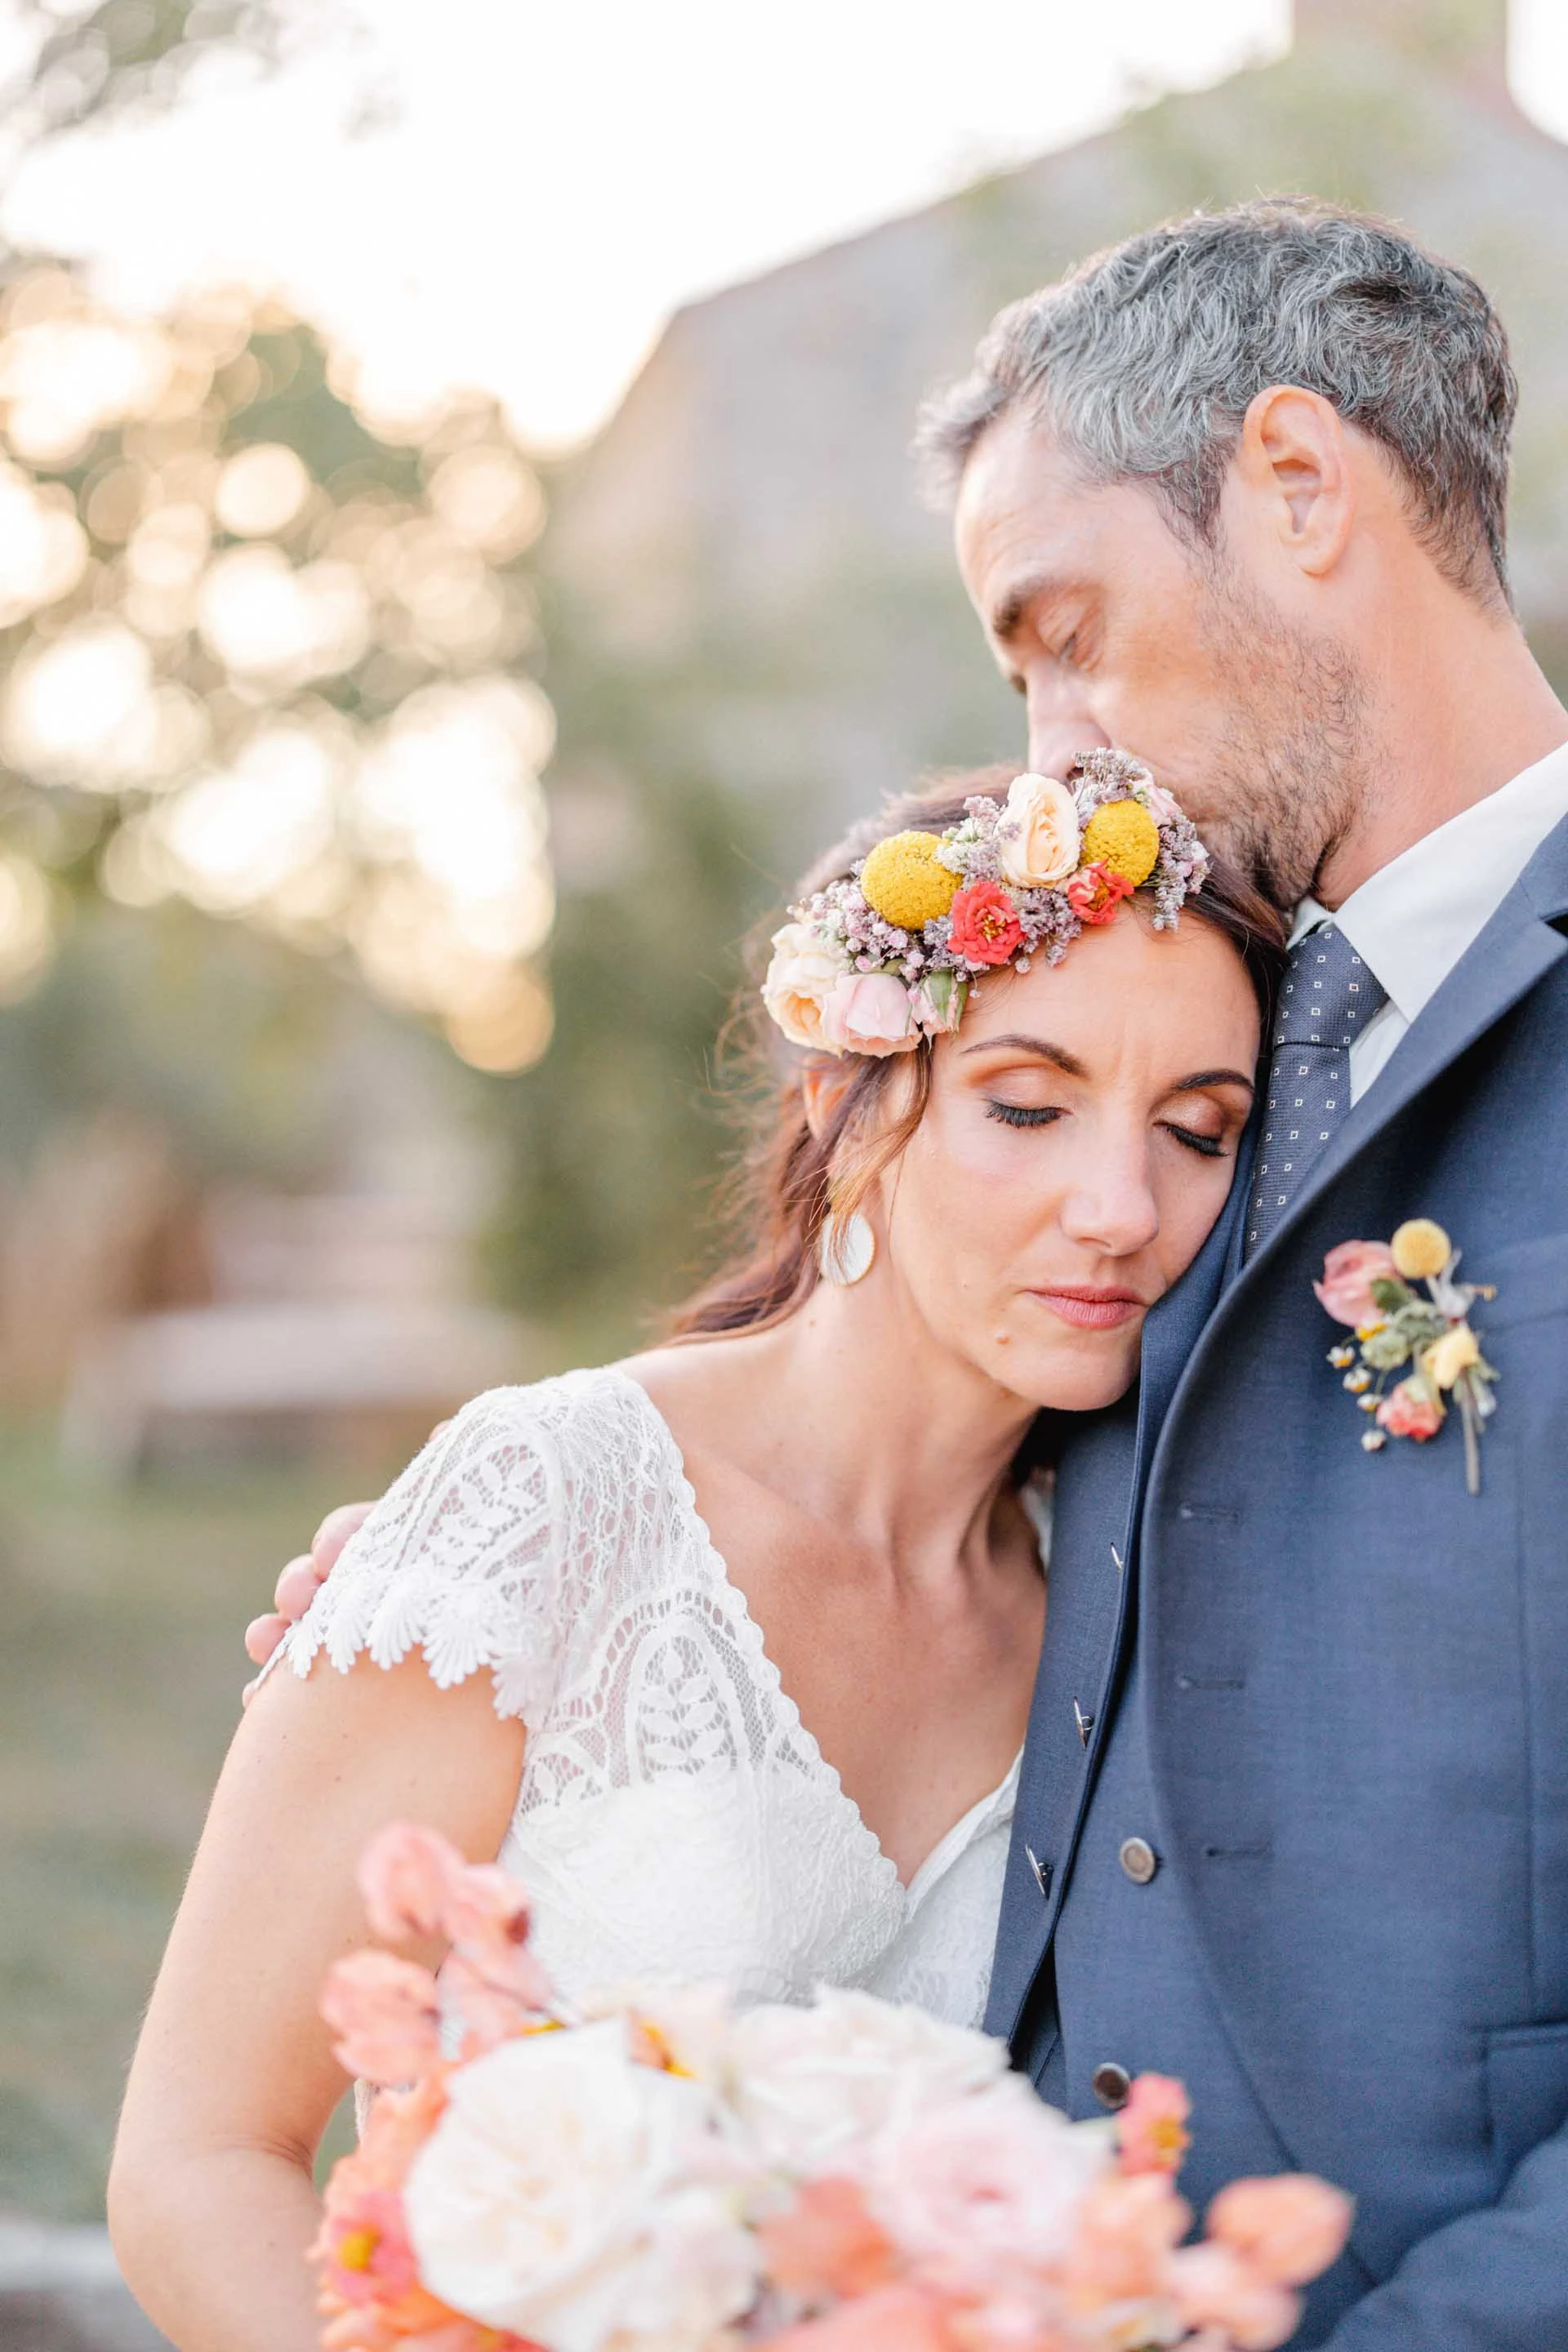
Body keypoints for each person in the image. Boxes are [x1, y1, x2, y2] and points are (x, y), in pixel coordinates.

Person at [246, 199, 1568, 2347]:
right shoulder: (1196, 1043)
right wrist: (528, 1589)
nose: (1053, 752)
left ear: (1303, 490)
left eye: (1067, 626)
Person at [108, 761, 1281, 2352]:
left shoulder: (1139, 1598)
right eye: (1026, 1105)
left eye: (1198, 1131)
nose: (1121, 1205)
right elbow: (198, 2162)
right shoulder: (546, 1500)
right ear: (839, 1098)